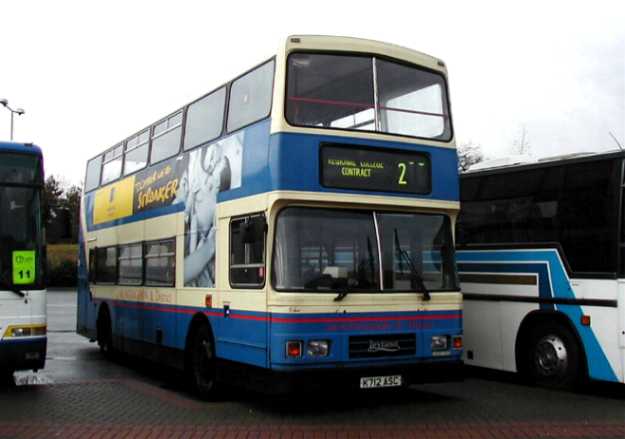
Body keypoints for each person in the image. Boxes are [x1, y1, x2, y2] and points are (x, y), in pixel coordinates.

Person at [180, 143, 231, 287]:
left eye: (210, 186)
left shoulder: (217, 254)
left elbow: (181, 273)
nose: (198, 191)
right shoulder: (185, 226)